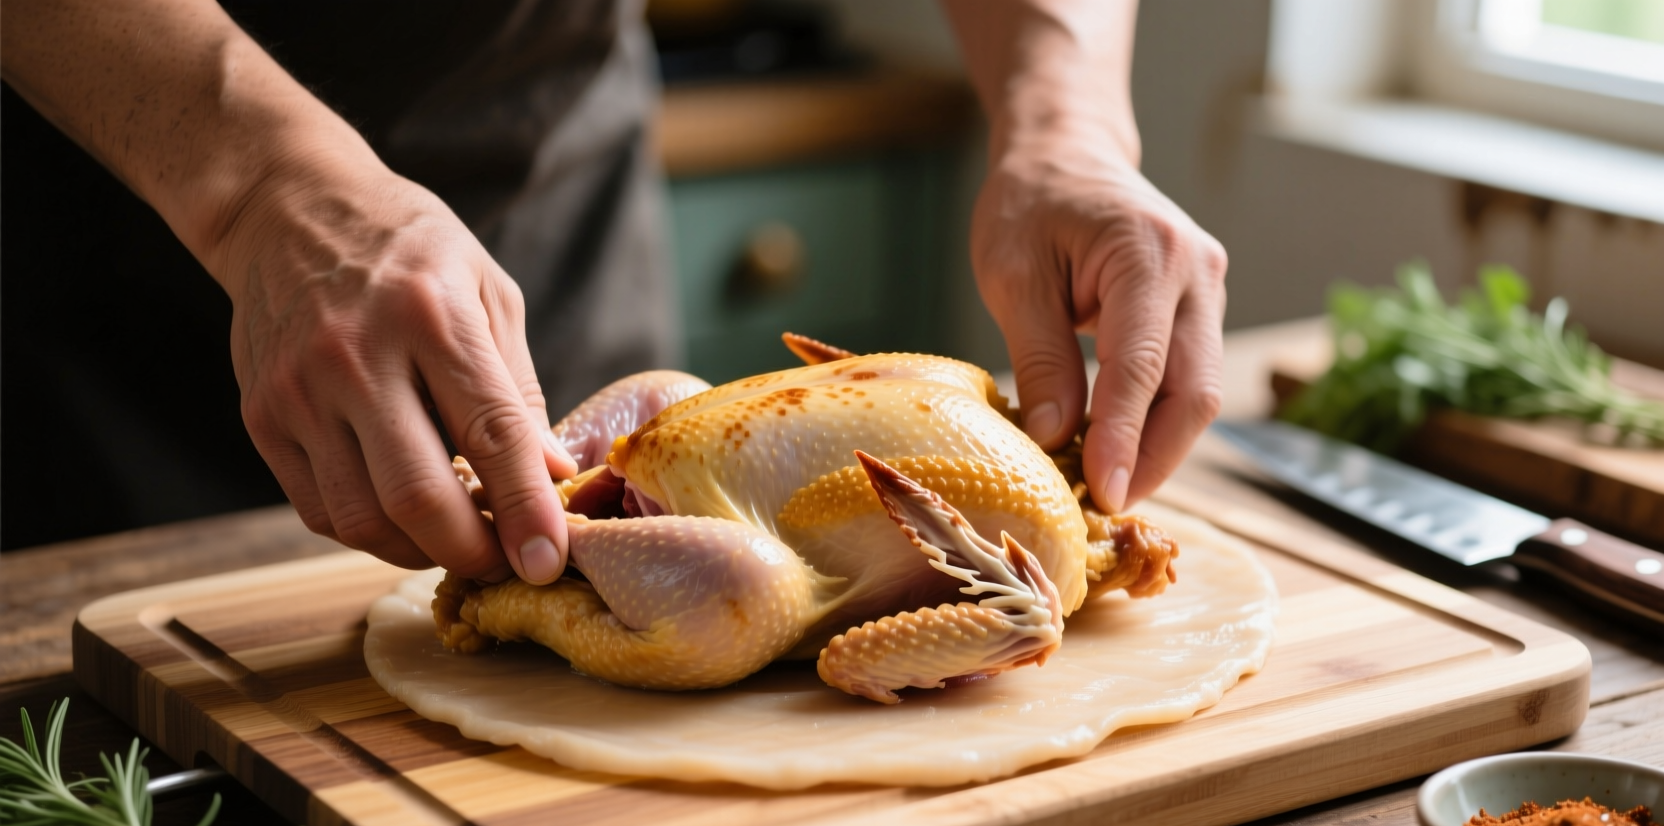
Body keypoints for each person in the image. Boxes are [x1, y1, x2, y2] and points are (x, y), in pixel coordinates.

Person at [1, 0, 1225, 585]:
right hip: (90, 160)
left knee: (614, 565)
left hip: (522, 124)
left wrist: (1065, 121)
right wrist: (255, 184)